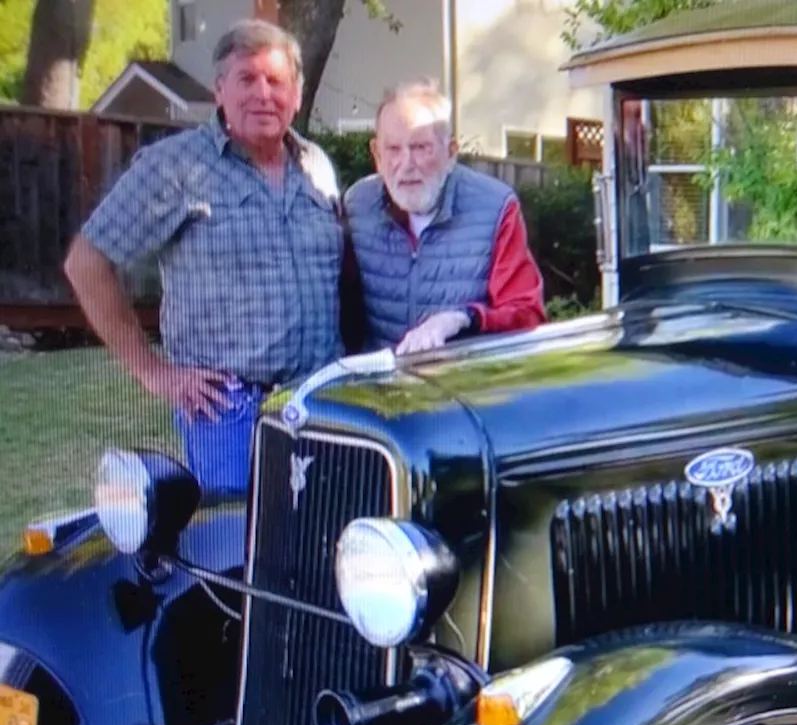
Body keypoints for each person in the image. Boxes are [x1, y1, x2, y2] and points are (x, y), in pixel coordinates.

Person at [63, 19, 346, 496]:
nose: (263, 94)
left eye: (276, 81)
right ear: (220, 90)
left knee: (327, 532)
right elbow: (86, 262)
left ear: (296, 95)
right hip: (226, 408)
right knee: (235, 547)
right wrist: (154, 373)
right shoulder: (174, 167)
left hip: (320, 399)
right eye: (247, 79)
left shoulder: (315, 166)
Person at [342, 78, 546, 355]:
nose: (406, 164)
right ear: (376, 155)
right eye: (393, 149)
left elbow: (527, 316)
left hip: (463, 388)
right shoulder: (358, 206)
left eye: (420, 148)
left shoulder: (496, 207)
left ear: (451, 153)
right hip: (381, 391)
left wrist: (462, 318)